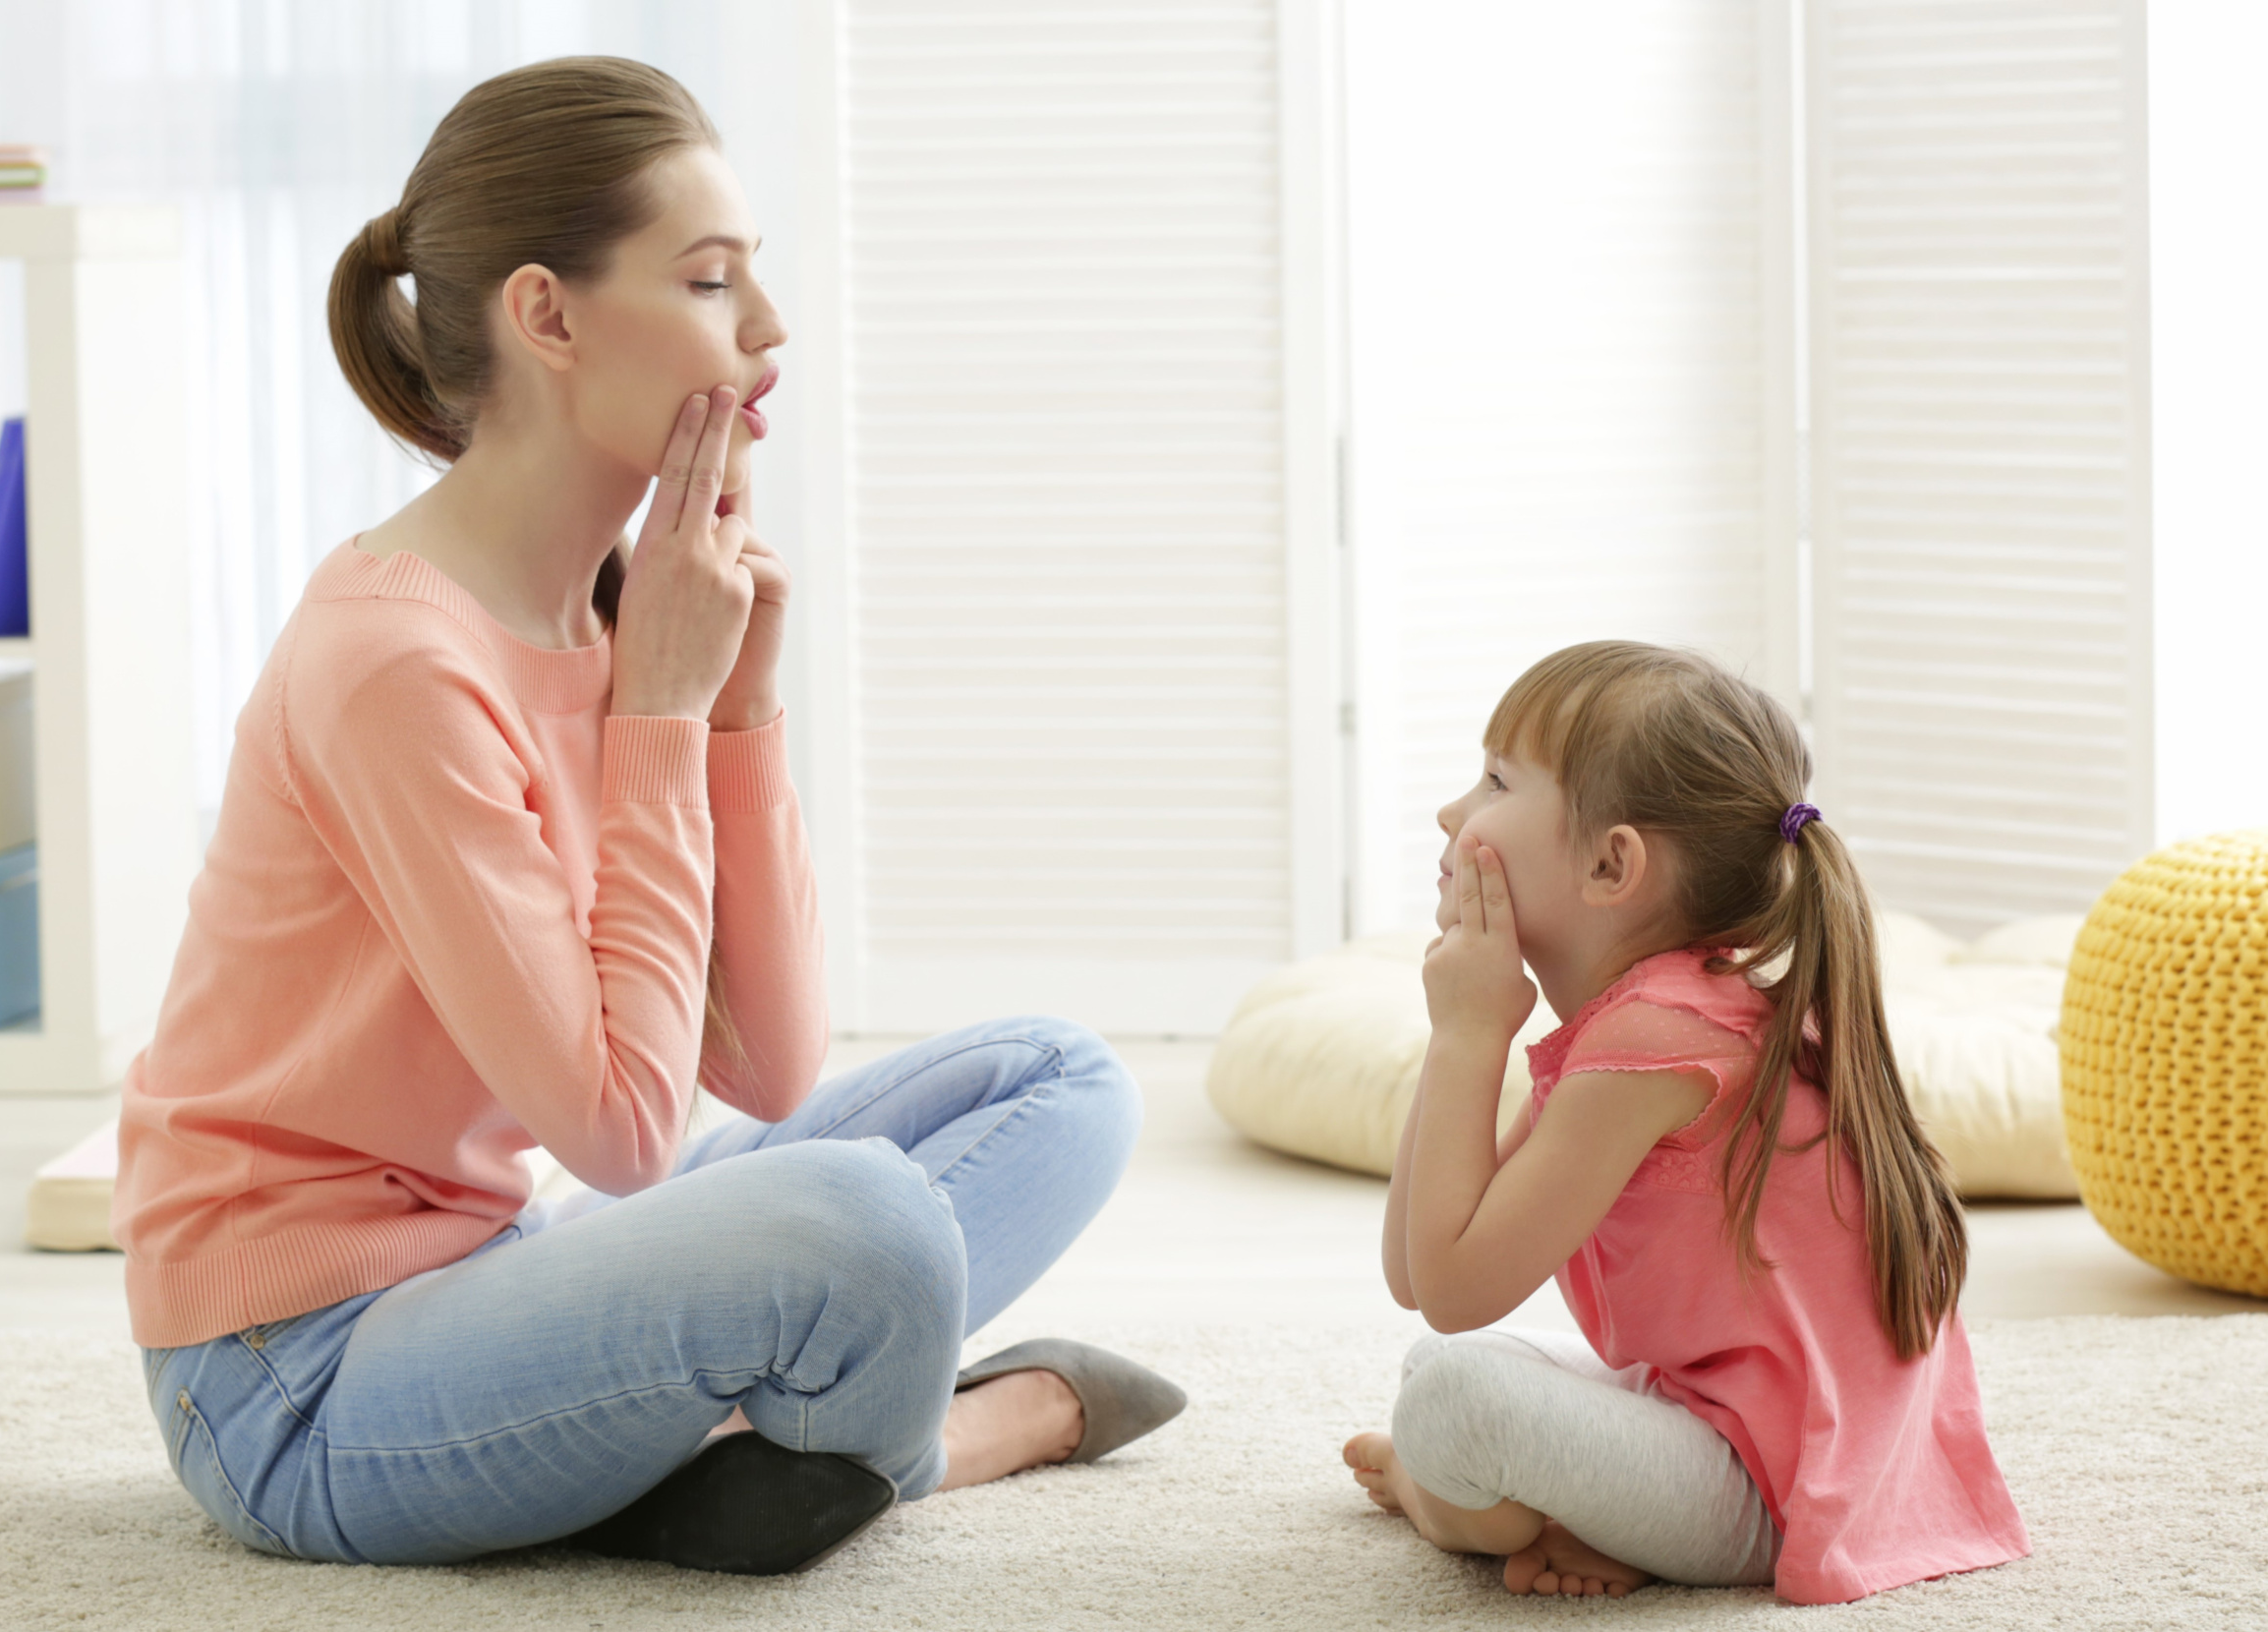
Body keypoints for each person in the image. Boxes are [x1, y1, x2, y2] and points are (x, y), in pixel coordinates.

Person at [112, 57, 1183, 1577]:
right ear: (547, 317)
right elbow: (623, 1136)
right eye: (709, 278)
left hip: (497, 1257)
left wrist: (732, 713)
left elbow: (765, 1063)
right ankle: (948, 1441)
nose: (769, 326)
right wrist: (665, 717)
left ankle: (732, 1443)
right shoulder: (393, 663)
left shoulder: (619, 612)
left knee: (1065, 1080)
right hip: (297, 1377)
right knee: (867, 1226)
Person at [1340, 641, 2029, 1604]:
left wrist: (1469, 1036)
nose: (1452, 813)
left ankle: (1466, 1506)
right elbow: (1416, 1274)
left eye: (1495, 781)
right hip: (1717, 1414)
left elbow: (1453, 1287)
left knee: (1453, 1404)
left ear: (1611, 862)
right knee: (1439, 1369)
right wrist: (1463, 1026)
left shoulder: (1658, 1037)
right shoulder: (1647, 1014)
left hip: (1775, 1486)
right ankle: (1581, 1516)